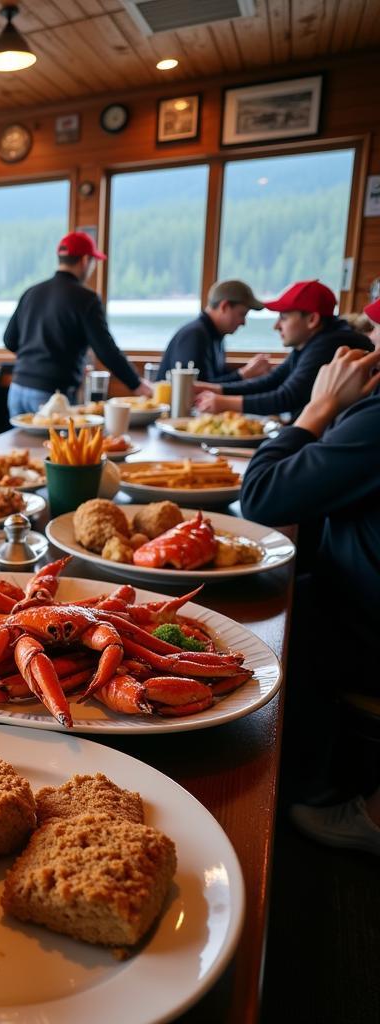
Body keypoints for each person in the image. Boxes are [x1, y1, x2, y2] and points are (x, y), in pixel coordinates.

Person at [241, 329, 380, 856]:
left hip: (366, 629)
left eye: (376, 328)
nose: (366, 338)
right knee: (285, 593)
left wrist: (321, 405)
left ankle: (285, 791)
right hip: (355, 599)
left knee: (262, 623)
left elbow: (262, 495)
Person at [2, 231, 153, 417]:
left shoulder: (31, 292)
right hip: (51, 396)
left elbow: (9, 340)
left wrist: (37, 355)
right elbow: (105, 350)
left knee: (21, 446)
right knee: (56, 447)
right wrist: (136, 384)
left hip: (17, 390)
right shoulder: (86, 299)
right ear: (84, 260)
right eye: (93, 263)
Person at [194, 280, 370, 418]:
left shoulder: (331, 345)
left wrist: (223, 402)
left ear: (312, 320)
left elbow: (287, 397)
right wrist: (215, 390)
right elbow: (273, 380)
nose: (276, 326)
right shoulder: (313, 341)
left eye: (284, 318)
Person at [156, 279, 272, 383]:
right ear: (224, 306)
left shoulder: (214, 335)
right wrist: (243, 374)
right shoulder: (194, 336)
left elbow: (213, 382)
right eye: (242, 314)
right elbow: (197, 389)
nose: (243, 322)